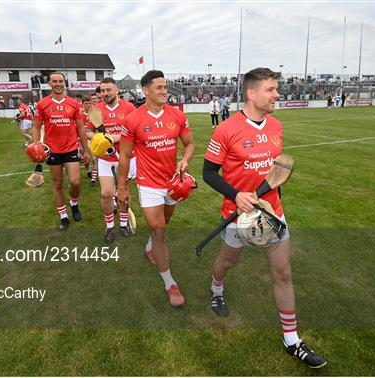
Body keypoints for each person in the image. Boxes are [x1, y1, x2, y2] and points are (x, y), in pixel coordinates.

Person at [202, 67, 327, 368]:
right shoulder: (226, 129)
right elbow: (207, 172)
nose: (277, 94)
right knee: (228, 262)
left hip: (271, 214)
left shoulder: (276, 127)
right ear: (251, 93)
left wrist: (276, 212)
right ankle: (216, 287)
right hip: (236, 216)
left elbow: (275, 175)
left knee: (283, 274)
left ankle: (292, 340)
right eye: (271, 89)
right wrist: (236, 195)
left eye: (276, 89)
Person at [118, 70, 195, 307]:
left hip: (173, 182)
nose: (164, 91)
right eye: (159, 87)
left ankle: (150, 248)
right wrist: (122, 187)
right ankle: (170, 283)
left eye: (165, 87)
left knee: (163, 224)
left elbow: (190, 143)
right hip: (148, 184)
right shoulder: (133, 120)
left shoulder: (177, 115)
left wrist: (185, 160)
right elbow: (124, 155)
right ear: (146, 90)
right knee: (159, 231)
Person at [32, 72, 90, 230]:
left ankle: (74, 202)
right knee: (57, 183)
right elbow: (36, 126)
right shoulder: (42, 104)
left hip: (71, 147)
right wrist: (36, 145)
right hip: (52, 150)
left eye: (61, 81)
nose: (58, 84)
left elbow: (80, 128)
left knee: (75, 182)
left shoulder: (73, 103)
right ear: (49, 84)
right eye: (54, 81)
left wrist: (86, 150)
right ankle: (63, 215)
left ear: (64, 83)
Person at [87, 77, 136, 243]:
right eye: (102, 90)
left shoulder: (129, 107)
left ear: (117, 90)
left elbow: (135, 131)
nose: (105, 93)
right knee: (106, 194)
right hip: (105, 159)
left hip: (124, 158)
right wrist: (97, 137)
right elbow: (88, 131)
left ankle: (123, 224)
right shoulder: (96, 109)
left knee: (123, 194)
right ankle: (109, 226)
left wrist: (115, 137)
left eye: (108, 90)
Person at [81, 95, 98, 185]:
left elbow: (98, 126)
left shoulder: (95, 114)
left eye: (89, 103)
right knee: (86, 159)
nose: (88, 105)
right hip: (83, 140)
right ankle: (88, 170)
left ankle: (93, 178)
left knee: (95, 159)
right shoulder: (80, 114)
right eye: (86, 103)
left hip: (94, 139)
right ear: (82, 104)